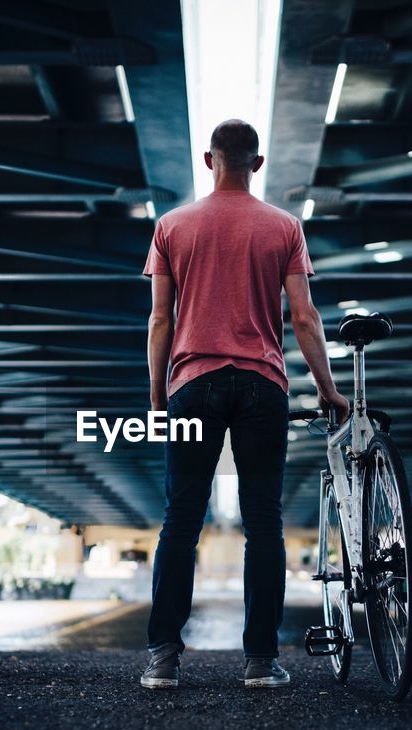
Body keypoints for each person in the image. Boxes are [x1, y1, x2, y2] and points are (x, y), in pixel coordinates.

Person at [139, 119, 350, 690]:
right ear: (257, 165)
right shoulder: (284, 228)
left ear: (209, 160)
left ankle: (163, 660)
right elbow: (304, 317)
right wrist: (328, 389)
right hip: (263, 386)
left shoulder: (172, 226)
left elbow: (161, 319)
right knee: (264, 523)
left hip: (193, 384)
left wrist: (160, 397)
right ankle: (260, 661)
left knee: (180, 522)